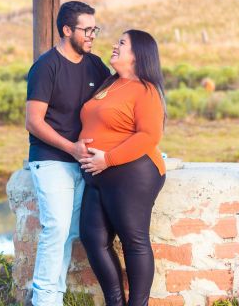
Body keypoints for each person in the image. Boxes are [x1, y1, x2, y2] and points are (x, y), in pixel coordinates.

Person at [25, 1, 111, 306]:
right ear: (66, 30)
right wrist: (71, 148)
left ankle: (52, 296)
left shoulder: (95, 65)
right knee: (57, 227)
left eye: (94, 29)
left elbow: (113, 102)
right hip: (51, 160)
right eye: (86, 30)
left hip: (84, 163)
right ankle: (44, 300)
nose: (92, 35)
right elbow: (33, 121)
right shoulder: (46, 67)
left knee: (70, 231)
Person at [78, 29, 167, 306]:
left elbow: (149, 136)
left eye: (122, 43)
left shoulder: (146, 89)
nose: (114, 46)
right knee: (92, 238)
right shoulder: (110, 84)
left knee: (134, 241)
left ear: (137, 55)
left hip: (132, 173)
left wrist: (108, 159)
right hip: (98, 174)